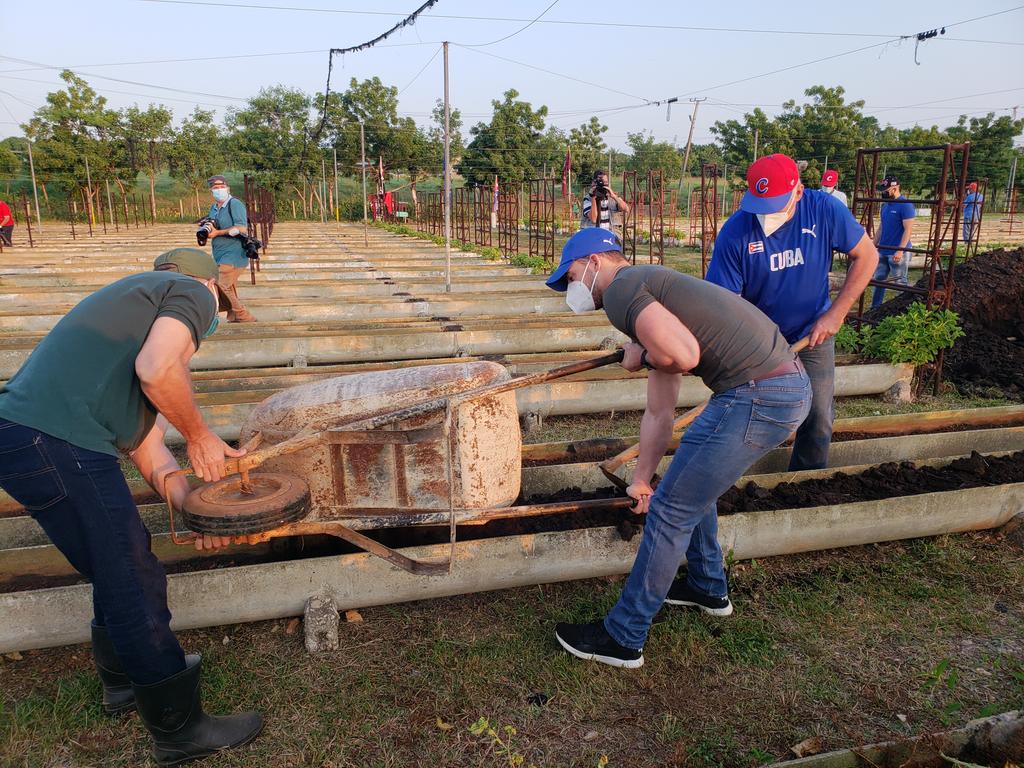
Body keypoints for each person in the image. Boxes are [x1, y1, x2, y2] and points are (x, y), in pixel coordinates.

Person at [0, 248, 263, 765]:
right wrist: (201, 435)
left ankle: (123, 680)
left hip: (28, 442)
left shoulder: (126, 322)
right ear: (210, 287)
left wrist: (201, 512)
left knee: (114, 560)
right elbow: (158, 368)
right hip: (52, 441)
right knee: (131, 572)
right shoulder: (189, 293)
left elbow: (150, 455)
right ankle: (179, 729)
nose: (204, 334)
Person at [545, 228, 811, 668]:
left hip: (757, 395)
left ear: (594, 261)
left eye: (570, 275)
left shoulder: (622, 289)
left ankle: (622, 637)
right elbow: (660, 412)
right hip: (777, 389)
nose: (570, 288)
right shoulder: (650, 291)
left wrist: (643, 356)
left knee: (671, 511)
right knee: (687, 484)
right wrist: (641, 478)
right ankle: (707, 586)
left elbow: (682, 356)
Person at [707, 154, 879, 471]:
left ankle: (806, 484)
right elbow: (721, 303)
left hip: (811, 333)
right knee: (749, 411)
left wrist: (836, 314)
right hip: (756, 341)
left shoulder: (824, 210)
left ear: (797, 192)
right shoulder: (736, 232)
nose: (766, 215)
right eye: (760, 205)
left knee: (818, 417)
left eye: (774, 204)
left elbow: (867, 256)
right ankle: (731, 478)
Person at [205, 175, 257, 323]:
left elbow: (241, 228)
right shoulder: (214, 208)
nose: (219, 189)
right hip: (220, 254)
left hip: (234, 253)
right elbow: (212, 224)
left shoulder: (235, 204)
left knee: (221, 284)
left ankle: (244, 316)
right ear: (211, 191)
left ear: (227, 188)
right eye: (215, 188)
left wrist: (218, 233)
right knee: (229, 286)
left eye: (221, 186)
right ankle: (233, 316)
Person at [871, 176, 915, 309]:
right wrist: (873, 245)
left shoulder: (905, 205)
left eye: (886, 189)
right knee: (879, 280)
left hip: (897, 252)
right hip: (883, 250)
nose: (883, 192)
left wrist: (900, 250)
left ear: (895, 188)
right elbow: (881, 227)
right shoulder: (885, 206)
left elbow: (908, 229)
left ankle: (903, 310)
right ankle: (875, 308)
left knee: (900, 282)